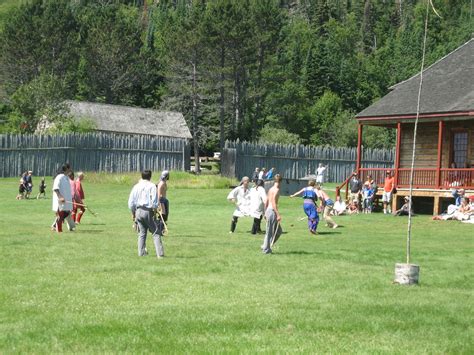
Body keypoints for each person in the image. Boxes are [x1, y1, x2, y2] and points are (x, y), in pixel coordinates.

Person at [128, 170, 164, 258]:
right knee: (156, 232)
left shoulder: (136, 186)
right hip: (147, 211)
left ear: (142, 176)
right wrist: (156, 209)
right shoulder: (152, 186)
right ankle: (160, 254)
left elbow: (131, 202)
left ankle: (141, 253)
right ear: (150, 176)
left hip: (138, 211)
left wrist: (133, 212)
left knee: (142, 233)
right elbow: (154, 201)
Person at [261, 174, 283, 254]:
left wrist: (264, 212)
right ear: (280, 181)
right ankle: (266, 249)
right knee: (269, 232)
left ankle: (265, 245)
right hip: (272, 211)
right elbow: (273, 203)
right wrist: (278, 214)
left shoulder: (270, 189)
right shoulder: (276, 190)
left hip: (268, 211)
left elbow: (266, 201)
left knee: (279, 231)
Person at [52, 164, 73, 233]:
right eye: (69, 168)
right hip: (60, 201)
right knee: (60, 215)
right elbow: (55, 188)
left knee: (66, 213)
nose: (70, 170)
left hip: (66, 201)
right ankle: (59, 230)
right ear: (66, 169)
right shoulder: (59, 177)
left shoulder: (66, 177)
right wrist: (60, 197)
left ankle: (54, 226)